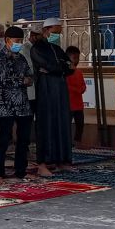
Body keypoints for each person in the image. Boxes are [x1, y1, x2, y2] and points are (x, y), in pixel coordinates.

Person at [31, 18, 75, 177]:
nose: (57, 35)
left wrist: (59, 68)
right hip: (46, 90)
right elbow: (49, 66)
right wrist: (60, 68)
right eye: (55, 32)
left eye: (58, 33)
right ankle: (43, 163)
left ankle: (62, 161)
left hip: (60, 90)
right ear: (45, 31)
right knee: (46, 125)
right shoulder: (37, 48)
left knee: (62, 123)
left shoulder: (57, 49)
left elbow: (70, 67)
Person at [0, 27, 34, 180]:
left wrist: (24, 80)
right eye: (16, 41)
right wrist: (22, 80)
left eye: (20, 41)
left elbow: (30, 77)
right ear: (7, 40)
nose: (19, 44)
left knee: (23, 139)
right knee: (3, 139)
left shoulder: (21, 58)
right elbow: (2, 80)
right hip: (6, 105)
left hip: (23, 104)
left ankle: (20, 171)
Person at [66, 45, 87, 148]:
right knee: (67, 124)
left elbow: (83, 85)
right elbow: (66, 86)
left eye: (78, 58)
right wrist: (77, 90)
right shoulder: (65, 73)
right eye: (74, 58)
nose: (77, 60)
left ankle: (78, 141)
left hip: (79, 104)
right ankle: (67, 142)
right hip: (69, 104)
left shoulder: (79, 72)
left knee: (80, 124)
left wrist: (82, 89)